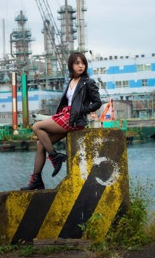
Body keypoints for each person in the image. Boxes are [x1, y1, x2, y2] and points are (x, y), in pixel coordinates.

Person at [21, 52, 102, 190]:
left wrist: (80, 110)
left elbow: (97, 102)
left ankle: (54, 156)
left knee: (37, 126)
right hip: (65, 116)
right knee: (41, 144)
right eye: (77, 63)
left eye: (83, 63)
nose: (80, 66)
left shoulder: (88, 82)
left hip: (74, 120)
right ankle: (36, 180)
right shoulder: (71, 81)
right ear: (71, 65)